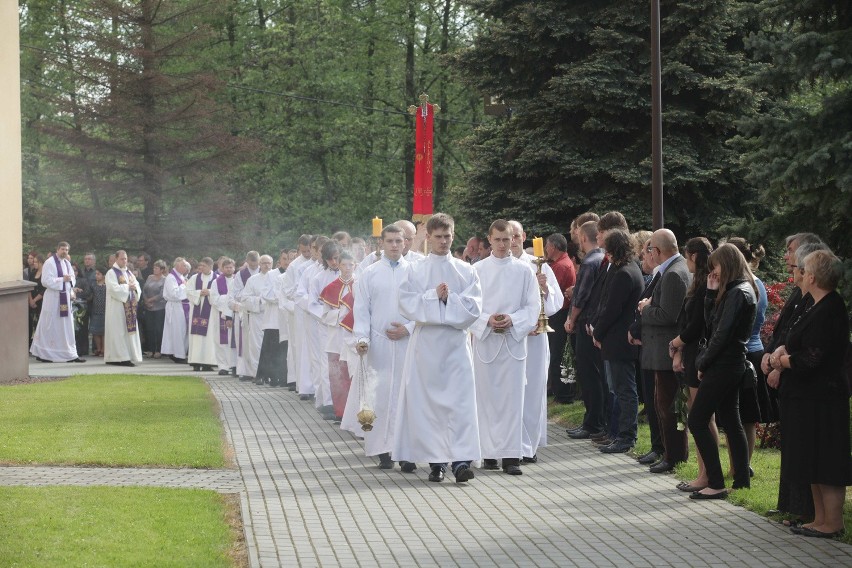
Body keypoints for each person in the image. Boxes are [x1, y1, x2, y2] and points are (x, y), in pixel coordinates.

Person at [393, 213, 483, 484]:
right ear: (429, 237)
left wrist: (449, 300)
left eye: (448, 236)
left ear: (453, 235)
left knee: (459, 403)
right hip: (427, 345)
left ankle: (461, 461)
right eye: (439, 237)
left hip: (455, 344)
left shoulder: (466, 270)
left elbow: (474, 307)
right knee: (428, 405)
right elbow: (406, 303)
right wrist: (434, 296)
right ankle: (436, 463)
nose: (444, 241)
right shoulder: (415, 269)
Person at [768, 249, 850, 538]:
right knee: (812, 459)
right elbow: (795, 340)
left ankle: (833, 522)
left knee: (826, 459)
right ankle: (819, 518)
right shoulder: (813, 305)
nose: (799, 272)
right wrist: (782, 351)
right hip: (806, 397)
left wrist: (784, 361)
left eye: (804, 269)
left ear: (813, 277)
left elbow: (814, 357)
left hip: (824, 398)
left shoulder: (830, 308)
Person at [687, 244, 756, 499]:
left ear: (726, 264)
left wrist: (702, 363)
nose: (712, 272)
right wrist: (710, 294)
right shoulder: (736, 290)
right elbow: (712, 325)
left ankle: (716, 482)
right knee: (731, 418)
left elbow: (721, 335)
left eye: (715, 267)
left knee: (697, 420)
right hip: (730, 362)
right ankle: (740, 481)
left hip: (726, 363)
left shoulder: (739, 292)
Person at [471, 219, 540, 475]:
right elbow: (470, 307)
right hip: (487, 342)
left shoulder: (524, 271)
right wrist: (487, 319)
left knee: (513, 399)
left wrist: (514, 320)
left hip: (512, 341)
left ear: (514, 239)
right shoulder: (477, 270)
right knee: (486, 398)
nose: (502, 244)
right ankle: (489, 453)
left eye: (507, 239)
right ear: (489, 240)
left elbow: (533, 307)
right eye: (498, 239)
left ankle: (511, 455)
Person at [347, 224, 415, 470]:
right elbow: (362, 310)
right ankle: (383, 450)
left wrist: (409, 328)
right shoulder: (370, 273)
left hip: (408, 342)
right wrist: (362, 338)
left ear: (405, 243)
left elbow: (423, 307)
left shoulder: (415, 272)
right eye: (390, 241)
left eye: (399, 241)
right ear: (382, 244)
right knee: (381, 396)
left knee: (406, 397)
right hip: (379, 344)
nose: (395, 245)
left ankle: (407, 452)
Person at [508, 220, 563, 463]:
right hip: (507, 337)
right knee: (507, 390)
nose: (512, 241)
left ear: (524, 237)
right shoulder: (492, 265)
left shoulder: (537, 265)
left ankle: (528, 445)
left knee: (533, 390)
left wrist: (546, 289)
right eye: (507, 236)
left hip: (535, 339)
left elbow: (557, 301)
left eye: (517, 236)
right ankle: (506, 442)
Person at [638, 228, 691, 473]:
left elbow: (670, 315)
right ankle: (671, 453)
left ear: (657, 251)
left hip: (667, 351)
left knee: (667, 406)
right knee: (664, 404)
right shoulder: (674, 268)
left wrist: (646, 309)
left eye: (650, 249)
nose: (649, 254)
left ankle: (674, 456)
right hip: (664, 351)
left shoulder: (673, 273)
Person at [591, 229, 644, 453]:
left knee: (624, 390)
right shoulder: (630, 268)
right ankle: (620, 434)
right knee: (620, 388)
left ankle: (626, 436)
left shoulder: (624, 273)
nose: (607, 256)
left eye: (608, 251)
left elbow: (612, 308)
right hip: (618, 338)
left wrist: (598, 332)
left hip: (620, 340)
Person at [668, 237, 714, 491]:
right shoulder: (699, 281)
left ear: (694, 256)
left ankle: (707, 474)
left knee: (702, 417)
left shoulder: (706, 283)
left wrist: (677, 342)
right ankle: (703, 472)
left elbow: (697, 323)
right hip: (690, 351)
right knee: (698, 414)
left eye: (688, 256)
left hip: (697, 351)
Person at [566, 221, 607, 439]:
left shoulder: (591, 261)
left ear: (583, 238)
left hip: (586, 322)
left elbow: (581, 296)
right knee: (596, 374)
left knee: (589, 374)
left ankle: (593, 423)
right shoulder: (602, 258)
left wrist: (571, 318)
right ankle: (596, 420)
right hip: (595, 323)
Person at [30, 242, 85, 363]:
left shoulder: (66, 263)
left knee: (66, 326)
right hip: (53, 300)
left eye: (66, 250)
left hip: (65, 298)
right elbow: (45, 281)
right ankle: (45, 354)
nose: (64, 252)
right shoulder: (49, 263)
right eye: (62, 249)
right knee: (50, 325)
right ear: (57, 249)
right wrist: (62, 280)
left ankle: (69, 353)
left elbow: (72, 279)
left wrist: (69, 283)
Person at [307, 241, 342, 418]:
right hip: (326, 326)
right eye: (331, 260)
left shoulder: (349, 274)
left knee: (344, 363)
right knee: (327, 363)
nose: (334, 263)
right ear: (325, 260)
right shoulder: (319, 278)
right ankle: (329, 402)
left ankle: (343, 403)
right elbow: (312, 304)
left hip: (345, 326)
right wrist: (331, 316)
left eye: (337, 258)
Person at [321, 251, 356, 417]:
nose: (347, 268)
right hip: (336, 337)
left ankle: (353, 413)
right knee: (337, 375)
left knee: (353, 375)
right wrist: (341, 313)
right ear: (338, 265)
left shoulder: (361, 284)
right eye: (344, 265)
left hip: (354, 337)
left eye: (351, 265)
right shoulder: (331, 287)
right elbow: (325, 316)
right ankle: (340, 412)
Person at [545, 233, 577, 403]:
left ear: (554, 247)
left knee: (557, 354)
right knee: (556, 353)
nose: (545, 250)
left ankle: (562, 393)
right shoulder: (561, 263)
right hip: (561, 313)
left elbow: (551, 293)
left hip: (559, 314)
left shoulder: (560, 266)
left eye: (547, 246)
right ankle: (559, 390)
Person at [238, 255, 277, 385]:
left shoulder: (277, 278)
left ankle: (272, 374)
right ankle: (257, 373)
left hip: (272, 316)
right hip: (257, 316)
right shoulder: (252, 280)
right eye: (264, 263)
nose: (267, 265)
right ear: (260, 264)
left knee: (272, 347)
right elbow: (244, 298)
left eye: (269, 263)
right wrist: (259, 300)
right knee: (256, 346)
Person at [281, 235, 313, 389]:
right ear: (299, 248)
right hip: (299, 310)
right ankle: (302, 384)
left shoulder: (318, 264)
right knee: (300, 347)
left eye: (309, 250)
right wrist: (301, 291)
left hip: (315, 310)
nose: (307, 254)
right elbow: (287, 291)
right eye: (304, 251)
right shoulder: (294, 266)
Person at [104, 250, 142, 366]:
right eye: (122, 259)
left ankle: (127, 356)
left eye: (125, 259)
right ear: (116, 259)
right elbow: (113, 288)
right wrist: (127, 287)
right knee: (118, 332)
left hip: (129, 307)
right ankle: (119, 357)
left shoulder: (129, 273)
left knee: (127, 332)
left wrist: (134, 288)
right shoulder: (111, 273)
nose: (124, 261)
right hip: (117, 308)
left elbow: (137, 287)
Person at [232, 251, 260, 380]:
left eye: (256, 264)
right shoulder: (240, 274)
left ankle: (259, 370)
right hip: (245, 311)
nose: (255, 266)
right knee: (244, 342)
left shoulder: (264, 272)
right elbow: (236, 293)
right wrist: (249, 295)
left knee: (257, 343)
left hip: (259, 312)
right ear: (247, 261)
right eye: (252, 264)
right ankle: (245, 371)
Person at [186, 257, 218, 372]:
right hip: (196, 311)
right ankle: (195, 362)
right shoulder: (195, 278)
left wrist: (210, 292)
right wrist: (199, 293)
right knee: (196, 337)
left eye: (203, 266)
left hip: (211, 314)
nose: (200, 268)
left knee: (209, 337)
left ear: (210, 266)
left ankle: (208, 363)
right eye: (200, 265)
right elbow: (188, 292)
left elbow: (220, 293)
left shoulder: (217, 279)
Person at [209, 257, 237, 376]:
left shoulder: (237, 280)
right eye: (226, 267)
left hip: (235, 315)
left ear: (234, 268)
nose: (229, 269)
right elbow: (213, 299)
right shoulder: (216, 282)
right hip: (219, 315)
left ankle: (234, 365)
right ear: (222, 268)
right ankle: (223, 366)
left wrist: (230, 300)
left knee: (234, 340)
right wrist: (228, 299)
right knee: (221, 341)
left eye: (231, 267)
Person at [161, 257, 190, 364]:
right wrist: (184, 285)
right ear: (177, 266)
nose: (186, 267)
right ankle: (178, 355)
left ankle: (179, 353)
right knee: (177, 331)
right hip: (175, 307)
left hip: (183, 307)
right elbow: (174, 294)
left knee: (182, 331)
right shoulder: (171, 277)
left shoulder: (181, 277)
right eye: (184, 265)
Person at [142, 260, 167, 359]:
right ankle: (151, 349)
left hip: (159, 307)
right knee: (149, 328)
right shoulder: (149, 277)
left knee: (158, 329)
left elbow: (162, 294)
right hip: (148, 307)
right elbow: (144, 290)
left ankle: (158, 349)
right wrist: (146, 300)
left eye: (156, 268)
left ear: (162, 270)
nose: (154, 269)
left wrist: (151, 300)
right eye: (154, 268)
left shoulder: (164, 280)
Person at [27, 254, 45, 346]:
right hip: (31, 302)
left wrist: (35, 300)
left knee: (40, 323)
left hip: (41, 302)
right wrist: (31, 300)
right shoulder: (32, 273)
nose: (33, 264)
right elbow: (29, 287)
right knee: (31, 323)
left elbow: (44, 289)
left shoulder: (45, 274)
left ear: (41, 263)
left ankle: (40, 344)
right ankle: (31, 344)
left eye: (35, 262)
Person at [89, 267, 107, 356]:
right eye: (96, 274)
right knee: (95, 331)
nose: (96, 275)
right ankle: (99, 348)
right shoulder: (93, 285)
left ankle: (104, 349)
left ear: (103, 275)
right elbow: (90, 296)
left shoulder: (107, 285)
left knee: (103, 331)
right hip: (95, 310)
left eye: (98, 274)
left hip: (105, 310)